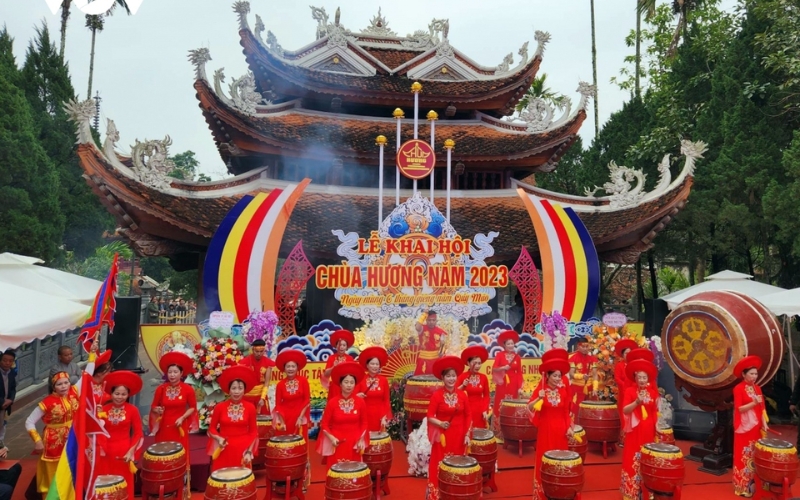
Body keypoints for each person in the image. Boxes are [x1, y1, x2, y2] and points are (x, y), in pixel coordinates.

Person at [26, 372, 80, 499]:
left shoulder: (74, 392)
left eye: (66, 382)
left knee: (71, 470)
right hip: (53, 442)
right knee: (53, 474)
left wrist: (92, 356)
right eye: (59, 384)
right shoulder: (47, 402)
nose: (64, 386)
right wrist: (37, 441)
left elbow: (88, 374)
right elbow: (29, 421)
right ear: (53, 386)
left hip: (72, 439)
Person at [426, 356, 472, 500]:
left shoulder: (462, 396)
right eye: (448, 376)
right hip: (442, 436)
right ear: (443, 378)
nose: (451, 379)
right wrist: (439, 423)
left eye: (453, 376)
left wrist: (467, 434)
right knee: (440, 464)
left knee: (457, 465)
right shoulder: (437, 395)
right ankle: (437, 494)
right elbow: (429, 416)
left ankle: (456, 493)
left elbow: (468, 416)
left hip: (459, 435)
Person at [527, 356, 572, 500]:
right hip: (546, 430)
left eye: (560, 376)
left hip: (561, 430)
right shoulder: (541, 390)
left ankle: (560, 491)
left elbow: (566, 411)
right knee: (545, 459)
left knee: (560, 460)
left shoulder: (563, 391)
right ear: (547, 376)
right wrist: (538, 399)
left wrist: (569, 427)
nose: (558, 379)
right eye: (555, 376)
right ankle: (542, 493)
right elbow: (529, 407)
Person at [98, 370, 144, 499]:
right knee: (107, 483)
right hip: (106, 452)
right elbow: (96, 431)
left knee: (124, 482)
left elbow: (138, 433)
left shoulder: (132, 410)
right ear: (111, 394)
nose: (120, 397)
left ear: (128, 395)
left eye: (123, 394)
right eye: (117, 393)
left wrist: (131, 451)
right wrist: (96, 417)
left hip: (124, 452)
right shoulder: (103, 410)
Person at [620, 358, 660, 500]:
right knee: (632, 457)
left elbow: (655, 411)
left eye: (644, 377)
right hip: (635, 430)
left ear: (648, 379)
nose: (642, 380)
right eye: (639, 377)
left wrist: (657, 427)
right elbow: (625, 410)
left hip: (648, 429)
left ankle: (647, 492)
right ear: (635, 378)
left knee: (647, 459)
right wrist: (636, 402)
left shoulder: (653, 393)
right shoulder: (630, 391)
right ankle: (631, 492)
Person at [207, 365, 259, 472]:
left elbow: (254, 432)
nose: (236, 392)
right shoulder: (219, 407)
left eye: (240, 388)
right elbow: (211, 429)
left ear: (245, 390)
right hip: (224, 448)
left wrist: (249, 452)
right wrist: (218, 438)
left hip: (242, 450)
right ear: (228, 390)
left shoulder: (250, 407)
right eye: (233, 388)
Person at [318, 362, 369, 468]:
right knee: (337, 475)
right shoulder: (332, 402)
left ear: (355, 384)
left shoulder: (360, 402)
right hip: (337, 442)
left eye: (352, 382)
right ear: (340, 384)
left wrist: (361, 439)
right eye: (346, 382)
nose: (349, 385)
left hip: (354, 443)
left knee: (353, 473)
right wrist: (331, 438)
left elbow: (364, 423)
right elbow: (324, 425)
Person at [149, 351, 198, 459]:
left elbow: (192, 408)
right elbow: (153, 407)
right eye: (170, 372)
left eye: (175, 372)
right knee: (163, 453)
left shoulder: (188, 389)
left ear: (181, 373)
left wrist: (183, 417)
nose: (172, 375)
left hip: (180, 425)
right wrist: (157, 410)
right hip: (164, 426)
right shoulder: (161, 389)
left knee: (179, 453)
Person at [733, 355, 768, 497]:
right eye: (751, 374)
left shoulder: (758, 388)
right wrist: (753, 403)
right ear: (743, 374)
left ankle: (758, 484)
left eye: (756, 374)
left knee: (756, 454)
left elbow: (762, 408)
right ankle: (742, 486)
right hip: (744, 427)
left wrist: (764, 423)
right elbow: (739, 408)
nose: (754, 376)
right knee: (744, 454)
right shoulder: (738, 388)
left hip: (756, 426)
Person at [273, 349, 311, 440]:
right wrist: (282, 421)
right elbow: (278, 405)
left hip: (300, 414)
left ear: (297, 368)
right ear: (284, 368)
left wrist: (300, 417)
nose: (290, 369)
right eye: (288, 366)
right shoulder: (280, 384)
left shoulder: (303, 381)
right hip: (286, 416)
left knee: (301, 441)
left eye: (293, 366)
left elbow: (307, 400)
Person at [356, 346, 392, 432]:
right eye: (372, 364)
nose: (375, 366)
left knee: (378, 442)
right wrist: (357, 396)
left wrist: (385, 415)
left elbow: (386, 400)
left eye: (377, 364)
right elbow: (353, 397)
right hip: (364, 414)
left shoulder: (384, 380)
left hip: (379, 415)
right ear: (367, 365)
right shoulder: (361, 379)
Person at [457, 345, 490, 429]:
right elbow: (454, 393)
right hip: (466, 410)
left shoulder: (483, 377)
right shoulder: (462, 376)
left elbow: (486, 396)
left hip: (480, 411)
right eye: (474, 363)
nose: (477, 366)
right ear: (468, 363)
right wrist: (462, 386)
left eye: (479, 363)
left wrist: (484, 410)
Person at [491, 330, 523, 420]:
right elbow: (494, 368)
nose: (511, 346)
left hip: (514, 383)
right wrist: (503, 368)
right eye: (508, 344)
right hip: (503, 383)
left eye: (512, 344)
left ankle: (511, 425)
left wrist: (520, 386)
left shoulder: (517, 357)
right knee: (500, 403)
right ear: (504, 345)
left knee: (512, 404)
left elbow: (519, 372)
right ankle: (498, 426)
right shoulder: (499, 355)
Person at [613, 339, 639, 444]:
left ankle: (634, 435)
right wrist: (626, 387)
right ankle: (624, 438)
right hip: (623, 392)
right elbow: (617, 378)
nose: (628, 355)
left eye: (629, 353)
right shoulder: (619, 365)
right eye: (626, 353)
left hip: (634, 392)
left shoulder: (635, 365)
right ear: (622, 355)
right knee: (623, 414)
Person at [239, 339, 275, 415]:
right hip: (247, 397)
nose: (259, 354)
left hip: (261, 396)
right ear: (252, 350)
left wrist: (262, 398)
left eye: (261, 352)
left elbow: (267, 382)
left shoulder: (267, 363)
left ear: (264, 351)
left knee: (263, 423)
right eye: (257, 351)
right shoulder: (244, 363)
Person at [322, 330, 355, 400]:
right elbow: (326, 375)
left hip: (347, 386)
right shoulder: (331, 358)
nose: (341, 347)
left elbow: (353, 375)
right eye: (339, 345)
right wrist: (333, 367)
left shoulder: (350, 358)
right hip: (335, 387)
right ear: (336, 346)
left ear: (346, 347)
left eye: (344, 345)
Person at [568, 338, 598, 415]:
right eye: (583, 346)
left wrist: (595, 388)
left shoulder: (593, 359)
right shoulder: (573, 358)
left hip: (590, 389)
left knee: (591, 411)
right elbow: (571, 374)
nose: (585, 349)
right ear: (578, 347)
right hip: (577, 388)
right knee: (576, 411)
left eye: (587, 346)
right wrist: (581, 376)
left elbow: (595, 375)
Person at [414, 311, 447, 375]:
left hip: (435, 358)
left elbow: (443, 345)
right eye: (429, 320)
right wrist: (424, 314)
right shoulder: (422, 328)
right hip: (423, 358)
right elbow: (417, 327)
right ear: (426, 320)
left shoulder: (440, 332)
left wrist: (441, 352)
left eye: (433, 320)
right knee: (421, 379)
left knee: (435, 378)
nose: (431, 322)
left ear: (436, 321)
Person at [0, 351, 16, 443]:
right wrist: (2, 402)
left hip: (6, 405)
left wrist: (10, 399)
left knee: (3, 425)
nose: (7, 363)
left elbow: (13, 388)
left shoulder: (12, 372)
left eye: (10, 361)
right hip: (1, 403)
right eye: (5, 360)